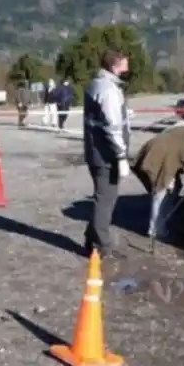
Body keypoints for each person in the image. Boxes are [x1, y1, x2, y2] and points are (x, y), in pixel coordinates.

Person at [82, 49, 131, 259]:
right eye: (124, 59)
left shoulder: (97, 83)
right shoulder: (108, 89)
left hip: (96, 150)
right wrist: (120, 155)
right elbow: (111, 125)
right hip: (105, 154)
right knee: (105, 200)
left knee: (103, 198)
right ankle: (103, 246)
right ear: (115, 65)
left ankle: (91, 238)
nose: (128, 61)